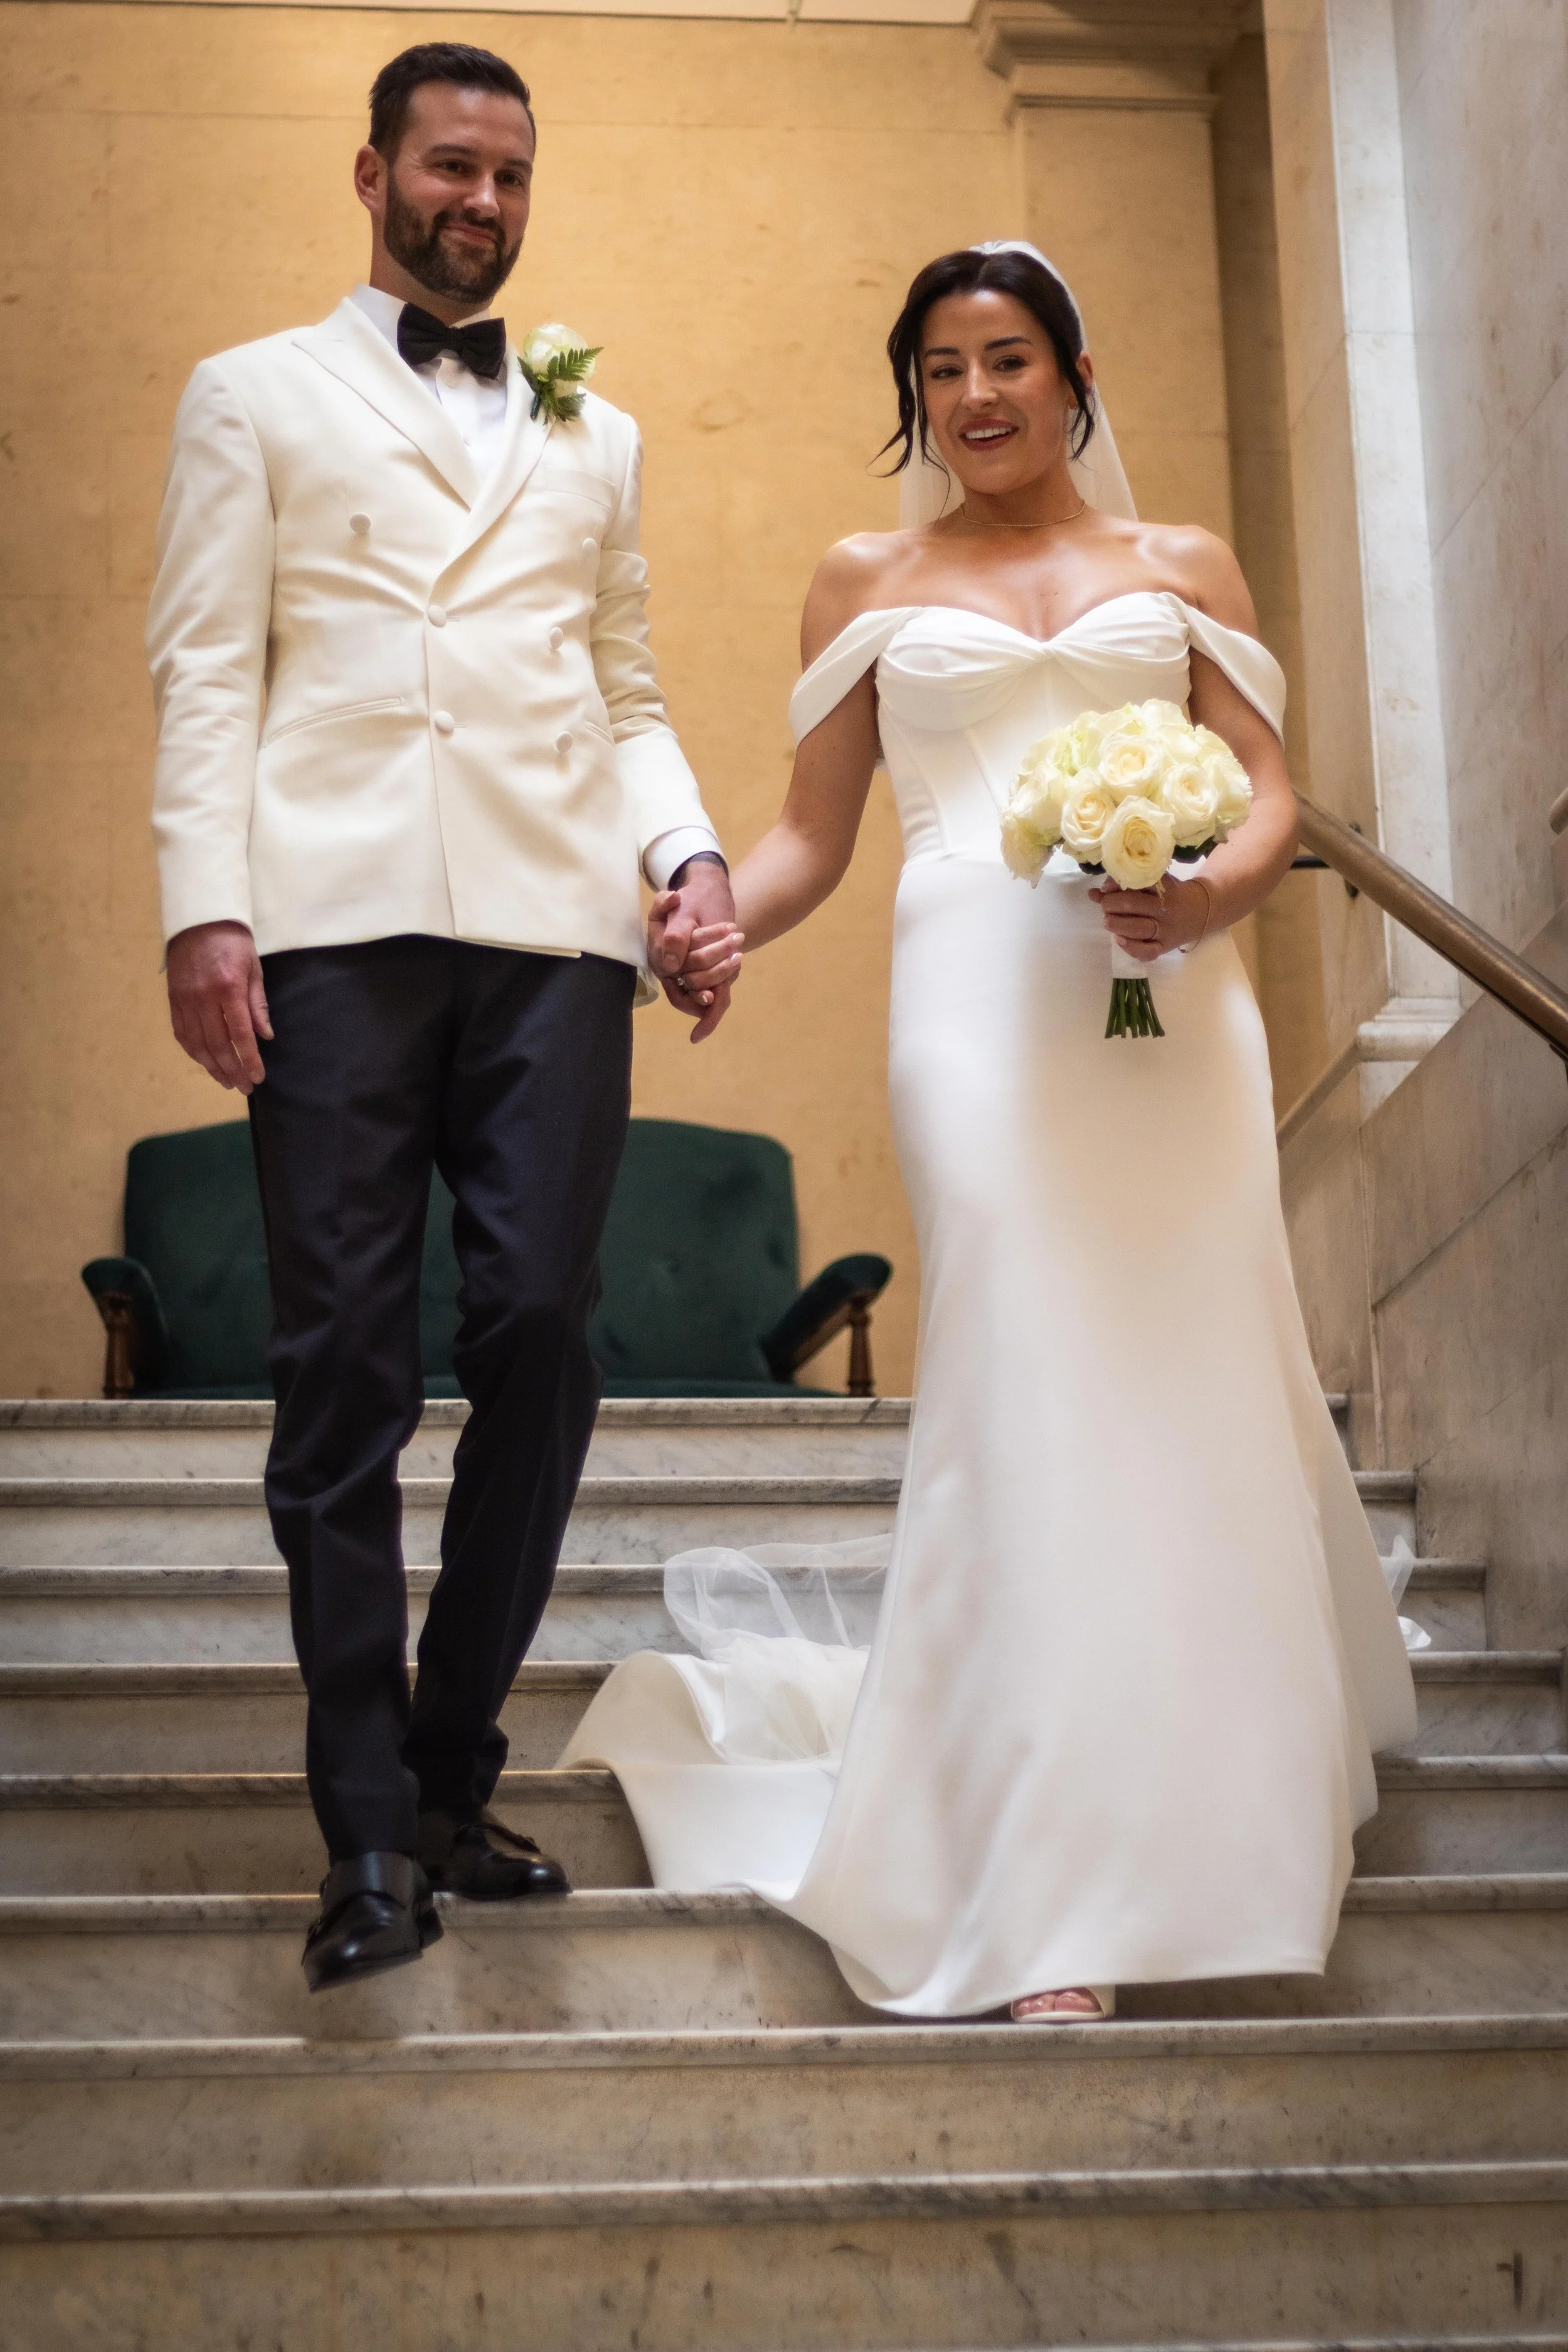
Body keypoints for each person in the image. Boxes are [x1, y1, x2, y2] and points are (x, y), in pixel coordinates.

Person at [564, 243, 1417, 2022]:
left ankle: (1218, 1813)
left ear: (1071, 368)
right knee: (1022, 1380)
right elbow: (811, 834)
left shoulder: (1174, 564)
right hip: (969, 1006)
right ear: (913, 397)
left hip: (1169, 1006)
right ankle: (1042, 1889)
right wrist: (715, 916)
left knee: (1183, 1376)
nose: (975, 395)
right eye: (941, 368)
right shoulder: (862, 577)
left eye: (1006, 357)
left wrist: (1202, 901)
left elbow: (1267, 792)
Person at [147, 41, 740, 1992]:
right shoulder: (252, 394)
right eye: (447, 168)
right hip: (324, 930)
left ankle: (452, 1755)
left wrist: (688, 857)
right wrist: (204, 910)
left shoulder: (600, 431)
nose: (478, 202)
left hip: (556, 931)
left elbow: (630, 675)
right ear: (372, 175)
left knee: (543, 1333)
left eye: (507, 175)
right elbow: (205, 667)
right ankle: (368, 1832)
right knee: (340, 1378)